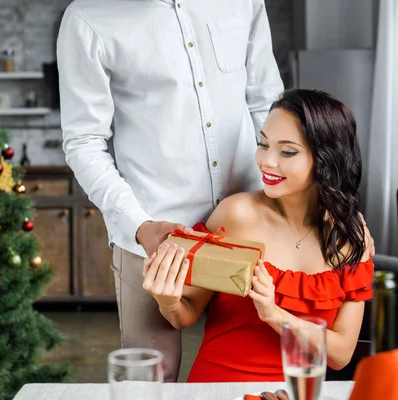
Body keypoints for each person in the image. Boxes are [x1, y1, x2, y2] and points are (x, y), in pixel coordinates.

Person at [56, 0, 287, 382]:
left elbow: (269, 106)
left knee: (255, 374)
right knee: (151, 381)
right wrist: (138, 225)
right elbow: (84, 142)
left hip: (251, 223)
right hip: (154, 240)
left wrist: (315, 204)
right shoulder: (87, 18)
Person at [142, 88, 375, 382]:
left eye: (287, 151)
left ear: (327, 159)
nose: (267, 161)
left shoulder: (351, 239)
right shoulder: (237, 215)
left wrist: (275, 315)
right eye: (262, 144)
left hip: (296, 392)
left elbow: (341, 354)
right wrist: (168, 300)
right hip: (219, 388)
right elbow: (186, 314)